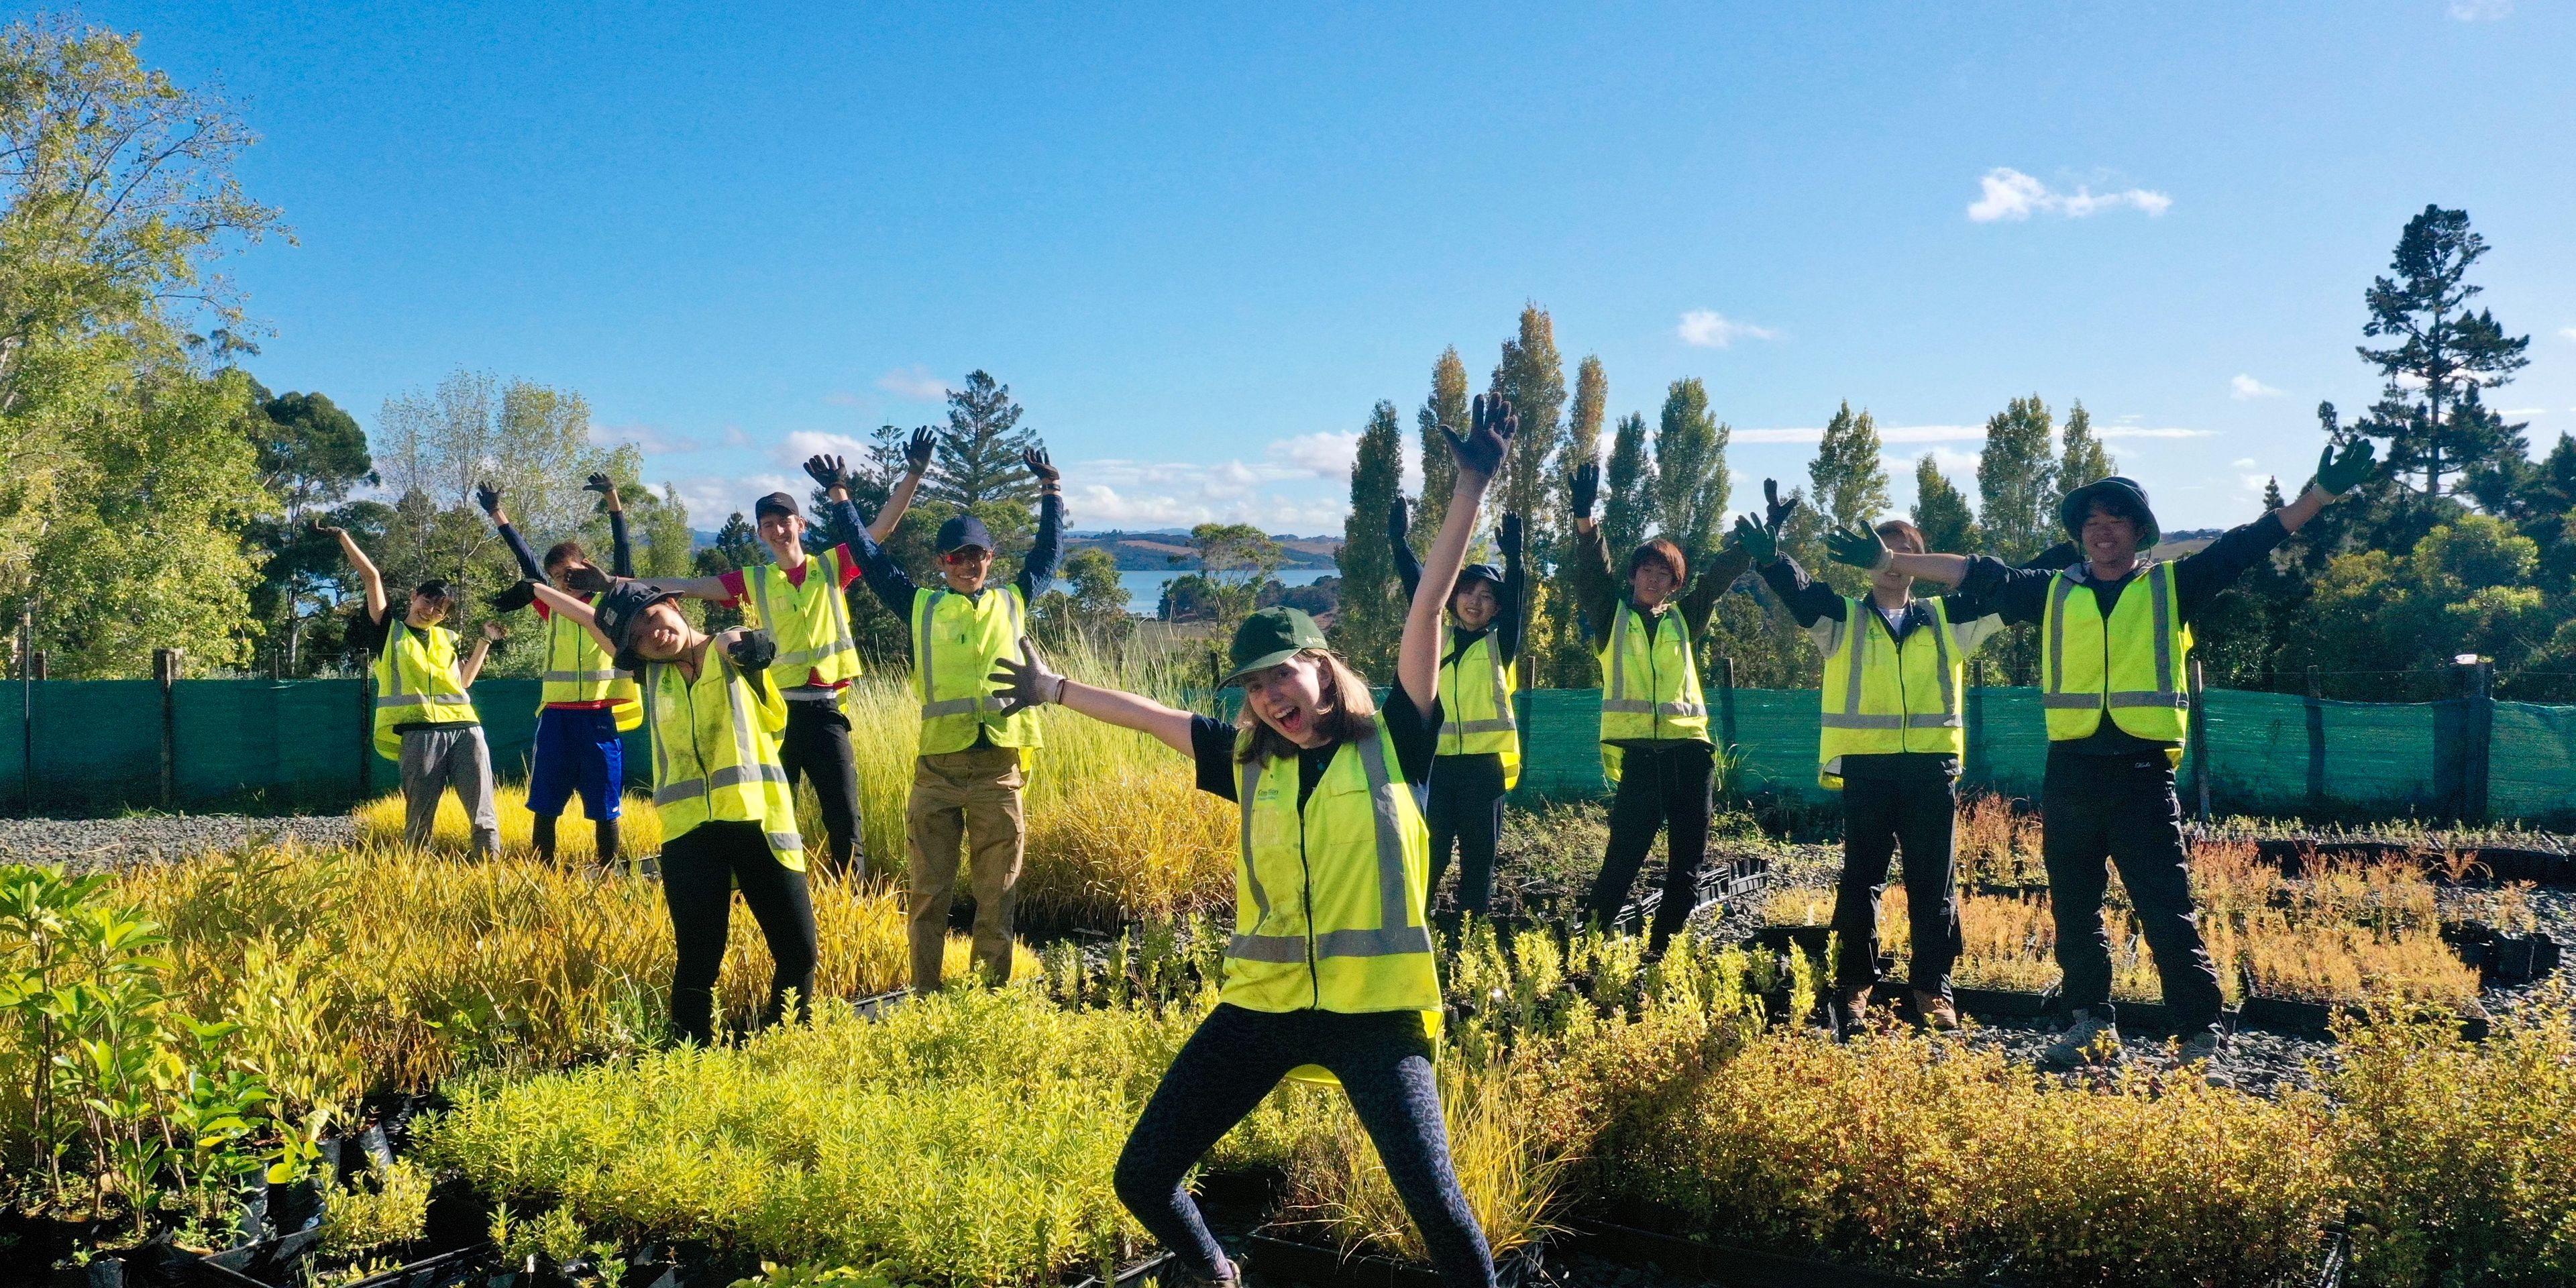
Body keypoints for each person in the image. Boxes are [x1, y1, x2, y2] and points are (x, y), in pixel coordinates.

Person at [987, 394, 1519, 1288]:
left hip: (1375, 1016)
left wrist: (1471, 485)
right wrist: (1056, 690)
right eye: (1256, 685)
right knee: (1143, 1177)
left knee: (1442, 1215)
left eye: (1284, 674)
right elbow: (1152, 717)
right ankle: (1220, 1276)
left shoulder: (1396, 740)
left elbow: (1427, 610)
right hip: (1263, 1009)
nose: (1272, 695)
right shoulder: (1249, 763)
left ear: (1323, 667)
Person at [1824, 441, 2381, 1071]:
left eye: (2116, 518)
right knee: (2075, 909)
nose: (2102, 530)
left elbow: (2249, 542)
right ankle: (2089, 1023)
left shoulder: (2172, 585)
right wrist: (1889, 560)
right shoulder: (2053, 591)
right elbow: (1978, 574)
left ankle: (2200, 1031)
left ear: (2140, 530)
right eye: (2091, 521)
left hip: (2142, 772)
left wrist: (2319, 496)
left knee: (2165, 908)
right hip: (2071, 770)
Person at [1735, 481, 2005, 1035]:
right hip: (1867, 768)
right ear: (1868, 562)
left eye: (1905, 553)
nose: (1894, 563)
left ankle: (1933, 989)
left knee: (1933, 884)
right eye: (1885, 551)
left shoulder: (1948, 619)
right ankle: (1855, 986)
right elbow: (1803, 593)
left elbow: (2007, 587)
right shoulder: (1843, 620)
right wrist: (1773, 560)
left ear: (1918, 564)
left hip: (1930, 768)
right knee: (1861, 882)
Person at [527, 578, 816, 1045]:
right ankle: (688, 1053)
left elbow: (741, 641)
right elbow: (589, 619)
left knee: (797, 951)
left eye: (652, 616)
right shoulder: (652, 674)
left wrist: (747, 644)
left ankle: (786, 1044)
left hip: (759, 822)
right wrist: (540, 589)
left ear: (674, 606)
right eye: (638, 635)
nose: (652, 633)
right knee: (698, 960)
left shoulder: (730, 652)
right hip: (689, 833)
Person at [631, 429, 928, 877]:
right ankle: (782, 894)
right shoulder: (755, 580)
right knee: (776, 815)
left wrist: (913, 474)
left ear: (800, 525)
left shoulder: (833, 566)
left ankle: (852, 897)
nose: (778, 529)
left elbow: (880, 530)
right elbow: (688, 587)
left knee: (844, 816)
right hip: (777, 718)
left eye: (784, 520)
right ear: (761, 533)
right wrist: (617, 585)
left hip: (827, 712)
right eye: (768, 524)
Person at [851, 443, 1063, 992]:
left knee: (998, 896)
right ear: (941, 562)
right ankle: (926, 998)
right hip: (937, 774)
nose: (969, 566)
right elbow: (869, 558)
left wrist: (1051, 491)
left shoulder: (1013, 600)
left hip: (999, 771)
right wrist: (841, 499)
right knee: (928, 896)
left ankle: (987, 1001)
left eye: (978, 556)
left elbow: (1047, 555)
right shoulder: (919, 605)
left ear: (991, 558)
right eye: (957, 557)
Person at [1565, 461, 1754, 953]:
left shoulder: (1685, 620)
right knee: (1621, 862)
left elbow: (1716, 580)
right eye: (1647, 570)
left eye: (1664, 573)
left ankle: (1660, 951)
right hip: (1641, 760)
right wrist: (1585, 520)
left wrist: (1751, 546)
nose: (1653, 578)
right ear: (1633, 576)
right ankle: (1588, 951)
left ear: (1675, 583)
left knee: (1687, 867)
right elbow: (1592, 575)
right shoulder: (1611, 618)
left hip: (1690, 757)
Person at [476, 474, 641, 867]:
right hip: (556, 718)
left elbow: (624, 557)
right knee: (545, 801)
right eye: (556, 578)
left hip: (600, 719)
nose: (564, 582)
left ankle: (608, 872)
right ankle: (544, 872)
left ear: (586, 566)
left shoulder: (612, 601)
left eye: (570, 573)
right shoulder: (553, 606)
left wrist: (613, 499)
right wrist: (498, 513)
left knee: (605, 804)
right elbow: (527, 563)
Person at [319, 522, 504, 857]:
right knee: (420, 818)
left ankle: (491, 870)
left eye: (439, 609)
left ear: (444, 616)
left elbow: (463, 682)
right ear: (414, 596)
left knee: (483, 813)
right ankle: (417, 877)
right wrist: (343, 536)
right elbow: (372, 577)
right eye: (427, 601)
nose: (429, 611)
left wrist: (485, 641)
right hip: (419, 734)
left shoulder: (447, 639)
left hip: (466, 730)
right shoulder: (388, 631)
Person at [1387, 498, 1523, 918]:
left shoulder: (1501, 644)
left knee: (1479, 863)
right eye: (1467, 591)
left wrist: (1516, 562)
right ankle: (1417, 931)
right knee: (1431, 856)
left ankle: (1470, 937)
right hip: (1437, 768)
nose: (1475, 602)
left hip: (1485, 770)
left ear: (1497, 608)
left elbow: (1518, 603)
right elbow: (1420, 590)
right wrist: (1400, 544)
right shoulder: (1436, 640)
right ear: (1452, 598)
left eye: (1487, 596)